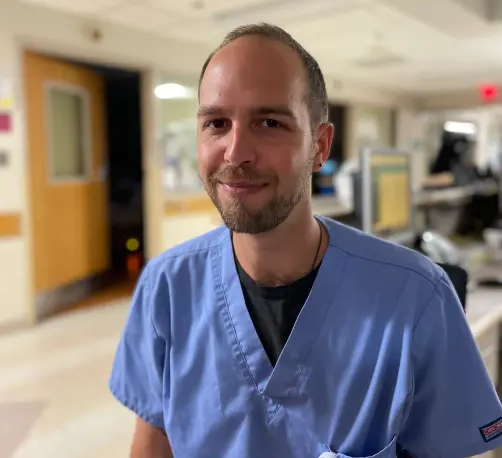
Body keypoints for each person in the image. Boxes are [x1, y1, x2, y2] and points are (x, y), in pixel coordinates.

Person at [109, 23, 502, 458]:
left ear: (319, 145)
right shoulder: (166, 288)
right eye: (217, 122)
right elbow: (153, 445)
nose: (236, 152)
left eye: (269, 122)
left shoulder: (416, 298)